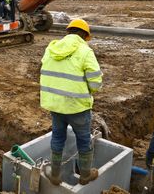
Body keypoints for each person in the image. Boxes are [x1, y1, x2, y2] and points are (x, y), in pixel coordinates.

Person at [40, 19, 103, 185]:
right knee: (83, 140)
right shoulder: (85, 51)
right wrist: (90, 90)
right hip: (77, 107)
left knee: (58, 137)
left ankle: (54, 175)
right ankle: (85, 175)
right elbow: (95, 83)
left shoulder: (51, 48)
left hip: (56, 105)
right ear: (84, 35)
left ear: (68, 32)